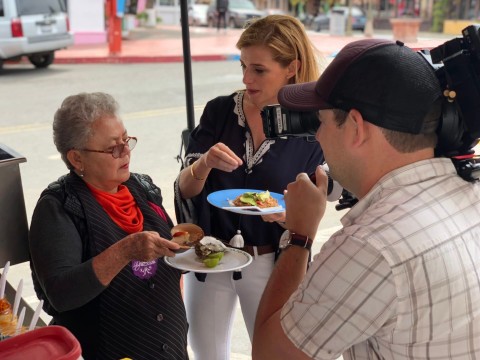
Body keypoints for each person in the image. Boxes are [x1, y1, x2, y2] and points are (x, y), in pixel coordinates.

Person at [252, 38, 480, 359]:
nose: (317, 136)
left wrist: (299, 235)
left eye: (323, 122)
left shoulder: (373, 247)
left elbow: (271, 355)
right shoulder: (471, 188)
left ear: (356, 127)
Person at [174, 15, 324, 360]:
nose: (245, 79)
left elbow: (316, 204)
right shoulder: (220, 111)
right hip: (210, 256)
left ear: (292, 68)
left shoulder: (313, 125)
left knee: (272, 354)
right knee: (205, 352)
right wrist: (203, 164)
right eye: (243, 66)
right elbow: (185, 188)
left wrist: (286, 215)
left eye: (258, 70)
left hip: (269, 263)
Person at [29, 92, 189, 360]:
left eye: (126, 140)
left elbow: (170, 258)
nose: (125, 151)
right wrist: (124, 251)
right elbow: (61, 294)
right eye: (113, 147)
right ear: (77, 158)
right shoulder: (60, 207)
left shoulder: (143, 187)